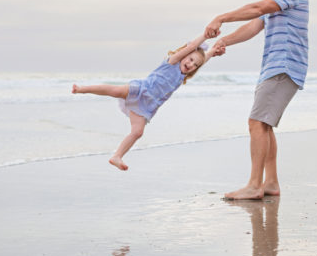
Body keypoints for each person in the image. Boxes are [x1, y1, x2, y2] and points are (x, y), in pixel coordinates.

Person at [205, 0, 309, 200]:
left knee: (256, 123)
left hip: (283, 65)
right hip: (276, 66)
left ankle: (254, 185)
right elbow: (254, 25)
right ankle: (270, 183)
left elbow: (257, 8)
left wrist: (221, 17)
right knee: (264, 125)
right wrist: (224, 41)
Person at [72, 33, 218, 171]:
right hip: (141, 89)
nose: (191, 64)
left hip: (147, 106)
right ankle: (82, 88)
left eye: (195, 65)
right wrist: (205, 36)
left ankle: (117, 156)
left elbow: (201, 61)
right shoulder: (172, 62)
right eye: (190, 59)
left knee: (137, 132)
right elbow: (192, 46)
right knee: (116, 91)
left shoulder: (181, 76)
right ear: (184, 54)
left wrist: (212, 52)